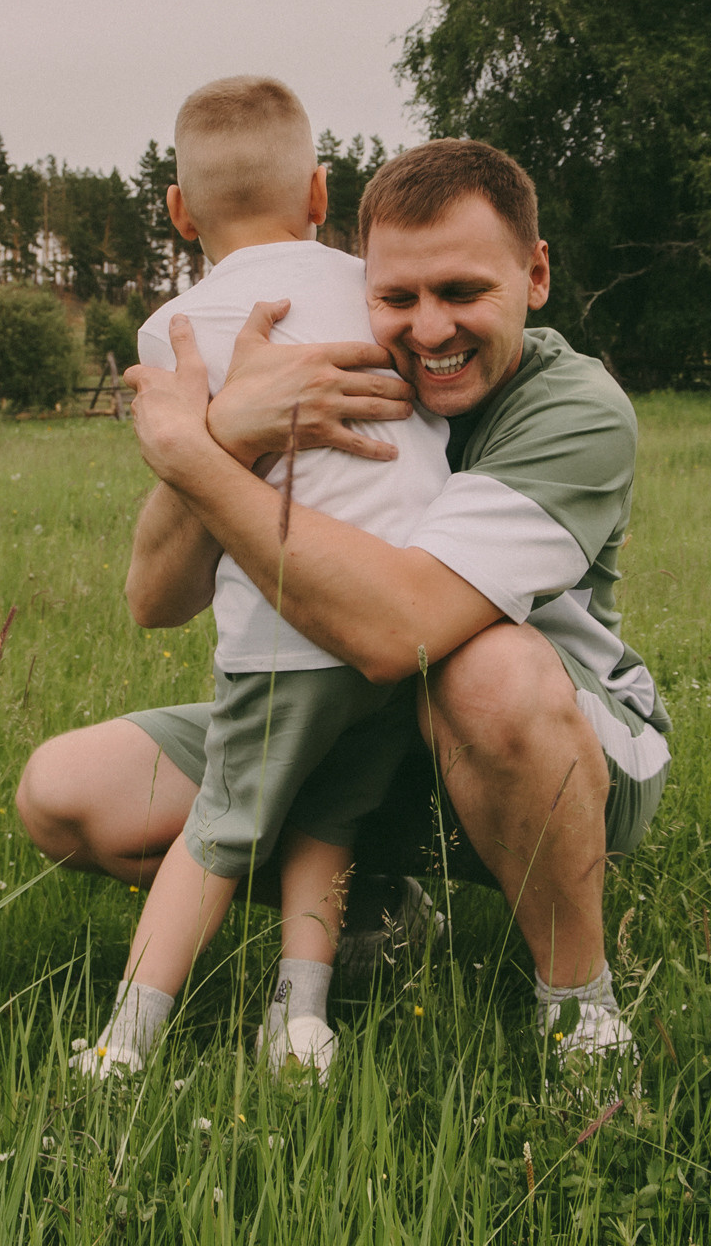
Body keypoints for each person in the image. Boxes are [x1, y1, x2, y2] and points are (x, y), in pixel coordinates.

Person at [18, 136, 667, 1064]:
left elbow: (395, 633)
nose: (429, 330)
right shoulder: (331, 368)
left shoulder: (573, 409)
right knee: (64, 795)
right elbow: (155, 598)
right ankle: (379, 906)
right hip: (365, 719)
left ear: (535, 275)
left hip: (557, 739)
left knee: (484, 669)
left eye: (463, 293)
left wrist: (194, 456)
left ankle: (580, 1008)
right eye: (398, 297)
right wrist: (234, 430)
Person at [73, 76, 450, 1081]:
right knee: (328, 822)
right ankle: (298, 1023)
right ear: (323, 194)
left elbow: (189, 472)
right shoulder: (373, 288)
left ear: (179, 210)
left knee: (220, 833)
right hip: (401, 614)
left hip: (280, 636)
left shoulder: (177, 329)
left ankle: (126, 1039)